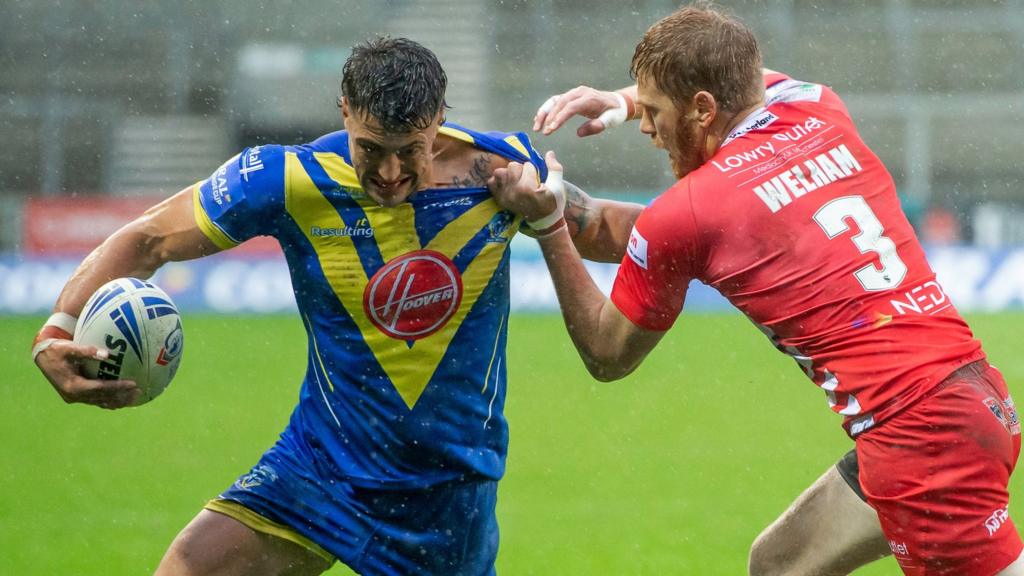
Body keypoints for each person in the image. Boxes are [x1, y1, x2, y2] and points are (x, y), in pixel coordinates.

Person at [31, 37, 639, 576]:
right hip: (320, 468)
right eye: (372, 148)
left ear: (440, 121)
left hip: (448, 493)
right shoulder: (288, 179)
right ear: (344, 112)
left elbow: (608, 227)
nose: (392, 171)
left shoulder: (501, 172)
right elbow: (147, 239)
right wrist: (55, 330)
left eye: (412, 149)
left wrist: (716, 223)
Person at [489, 5, 1023, 575]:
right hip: (966, 401)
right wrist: (620, 102)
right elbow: (623, 218)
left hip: (919, 436)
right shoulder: (816, 105)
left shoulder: (691, 212)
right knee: (779, 565)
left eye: (652, 111)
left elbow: (606, 352)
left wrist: (546, 226)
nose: (645, 127)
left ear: (702, 108)